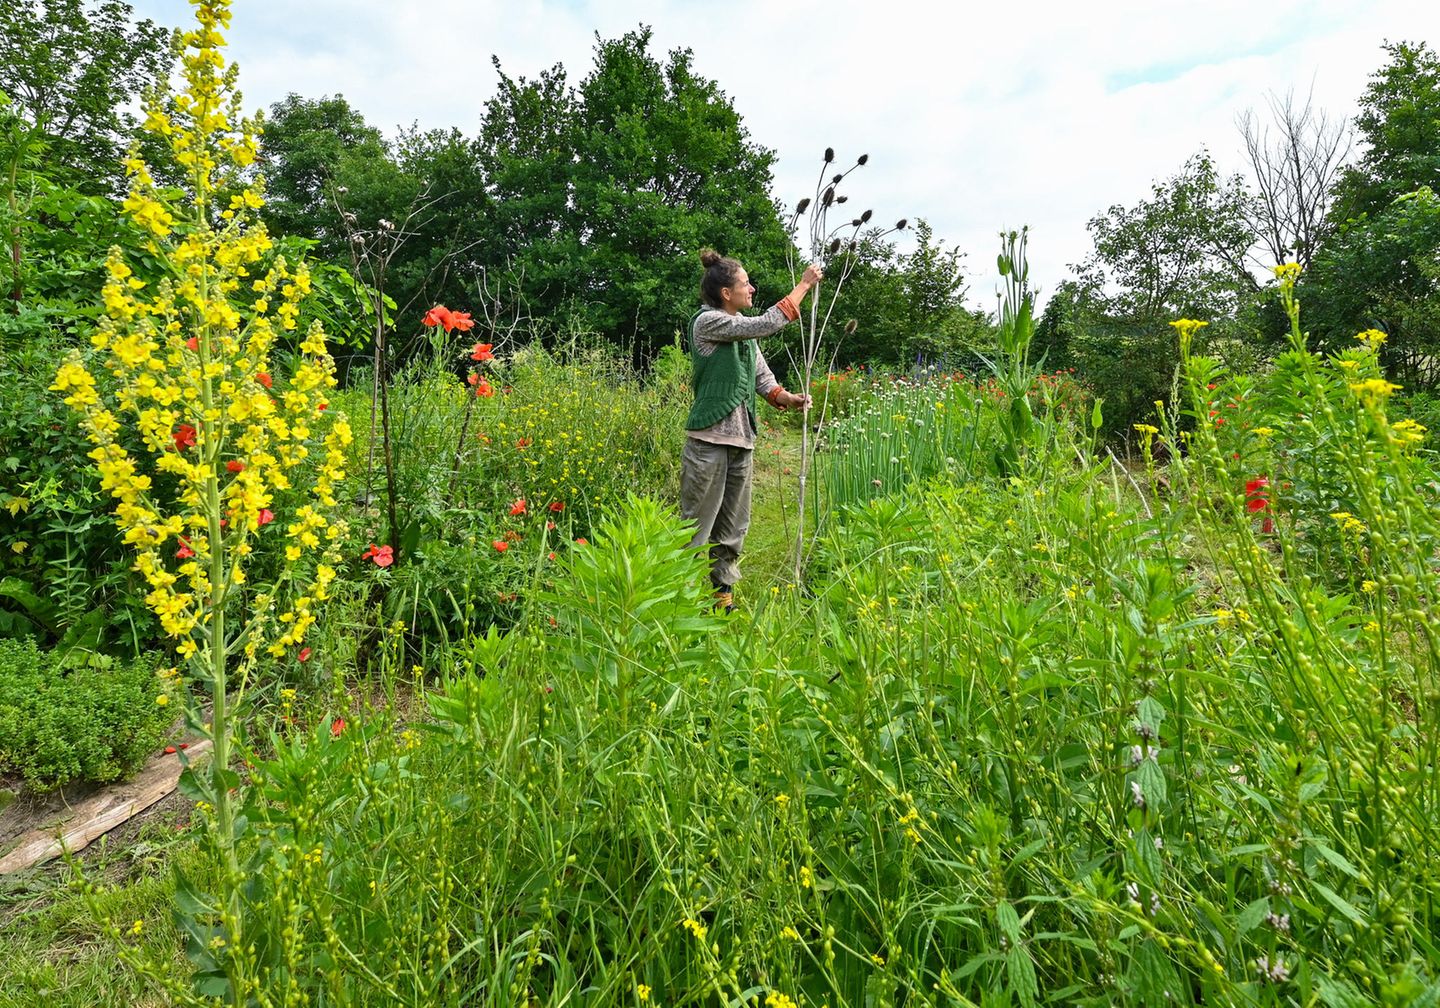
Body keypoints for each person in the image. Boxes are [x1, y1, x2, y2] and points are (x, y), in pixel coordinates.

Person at [682, 249, 822, 613]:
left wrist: (784, 396)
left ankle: (721, 598)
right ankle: (675, 600)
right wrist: (803, 286)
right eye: (745, 284)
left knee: (732, 528)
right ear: (726, 293)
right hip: (708, 442)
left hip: (742, 440)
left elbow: (760, 376)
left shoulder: (741, 330)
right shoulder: (708, 322)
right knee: (693, 529)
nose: (752, 288)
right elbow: (766, 322)